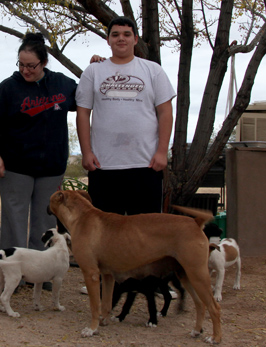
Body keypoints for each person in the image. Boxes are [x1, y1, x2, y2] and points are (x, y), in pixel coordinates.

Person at [75, 17, 176, 295]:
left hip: (145, 164)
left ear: (135, 39)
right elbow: (83, 112)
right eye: (115, 34)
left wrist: (161, 152)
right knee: (106, 232)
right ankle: (107, 284)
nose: (121, 39)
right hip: (104, 165)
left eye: (126, 34)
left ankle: (152, 284)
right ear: (108, 40)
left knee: (149, 232)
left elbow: (165, 112)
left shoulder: (152, 71)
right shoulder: (93, 72)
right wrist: (86, 152)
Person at [0, 33, 76, 260]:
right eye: (21, 65)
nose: (25, 70)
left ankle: (41, 270)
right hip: (15, 165)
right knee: (14, 218)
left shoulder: (62, 84)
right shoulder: (8, 88)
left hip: (51, 166)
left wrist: (97, 66)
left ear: (43, 62)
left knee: (45, 219)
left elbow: (88, 96)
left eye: (31, 66)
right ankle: (13, 268)